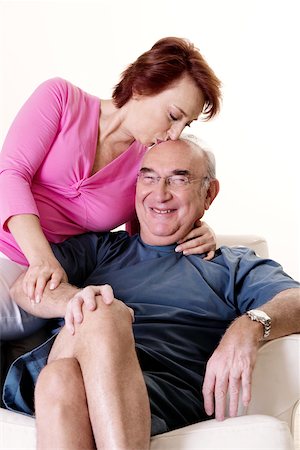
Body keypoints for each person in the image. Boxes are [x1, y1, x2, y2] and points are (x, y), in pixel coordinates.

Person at [4, 137, 299, 450]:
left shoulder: (232, 265)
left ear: (209, 193)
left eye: (178, 179)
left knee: (58, 381)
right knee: (102, 313)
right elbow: (26, 287)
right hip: (71, 356)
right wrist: (79, 301)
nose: (160, 193)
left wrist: (249, 326)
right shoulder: (101, 248)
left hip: (161, 394)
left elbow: (295, 300)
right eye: (149, 177)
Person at [0, 36, 222, 340]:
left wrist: (199, 229)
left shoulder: (149, 167)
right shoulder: (61, 98)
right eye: (173, 116)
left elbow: (146, 237)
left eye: (186, 124)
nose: (175, 134)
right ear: (142, 86)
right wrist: (42, 258)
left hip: (36, 276)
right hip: (36, 260)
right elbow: (10, 173)